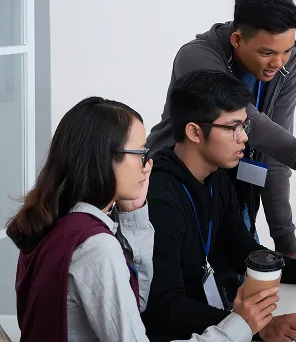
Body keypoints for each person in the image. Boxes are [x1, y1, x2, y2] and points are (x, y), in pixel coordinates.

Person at [5, 97, 278, 342]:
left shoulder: (58, 220)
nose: (148, 165)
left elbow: (137, 303)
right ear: (105, 160)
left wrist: (134, 213)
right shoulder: (96, 246)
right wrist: (237, 326)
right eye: (140, 153)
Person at [142, 71, 296, 342]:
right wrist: (253, 327)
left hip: (216, 325)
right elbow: (165, 306)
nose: (243, 138)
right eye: (233, 127)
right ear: (195, 132)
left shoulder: (216, 176)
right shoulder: (158, 195)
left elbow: (243, 251)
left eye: (244, 126)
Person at [146, 0, 296, 260]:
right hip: (177, 184)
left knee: (244, 276)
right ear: (238, 40)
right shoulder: (197, 56)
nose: (278, 62)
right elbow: (256, 125)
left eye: (285, 51)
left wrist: (286, 243)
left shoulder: (290, 60)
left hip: (231, 189)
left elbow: (274, 154)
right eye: (267, 53)